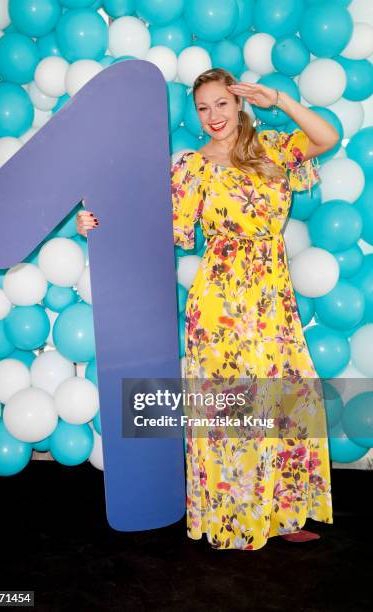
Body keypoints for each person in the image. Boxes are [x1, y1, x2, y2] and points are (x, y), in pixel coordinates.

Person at [77, 68, 339, 551]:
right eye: (203, 107)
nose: (213, 115)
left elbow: (327, 136)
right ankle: (235, 520)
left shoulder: (273, 149)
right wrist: (95, 223)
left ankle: (279, 513)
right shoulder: (192, 167)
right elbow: (155, 230)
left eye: (221, 103)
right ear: (196, 115)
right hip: (220, 302)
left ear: (239, 103)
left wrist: (277, 98)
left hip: (271, 296)